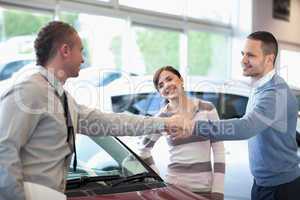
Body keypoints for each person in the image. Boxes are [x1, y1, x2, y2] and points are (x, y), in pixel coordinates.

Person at [0, 21, 178, 200]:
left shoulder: (64, 99)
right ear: (65, 50)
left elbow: (108, 122)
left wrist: (163, 123)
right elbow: (3, 151)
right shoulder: (28, 91)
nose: (83, 59)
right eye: (81, 50)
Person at [168, 31, 300, 200]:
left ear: (269, 59)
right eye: (243, 54)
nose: (243, 60)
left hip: (281, 188)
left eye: (250, 55)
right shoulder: (261, 86)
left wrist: (193, 125)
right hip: (265, 183)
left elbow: (245, 127)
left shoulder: (275, 93)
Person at [137, 66, 225, 200]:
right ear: (160, 93)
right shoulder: (162, 118)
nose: (166, 85)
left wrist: (218, 192)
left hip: (204, 189)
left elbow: (219, 150)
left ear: (181, 80)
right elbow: (143, 150)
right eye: (161, 85)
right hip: (173, 190)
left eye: (169, 79)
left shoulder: (207, 108)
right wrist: (158, 181)